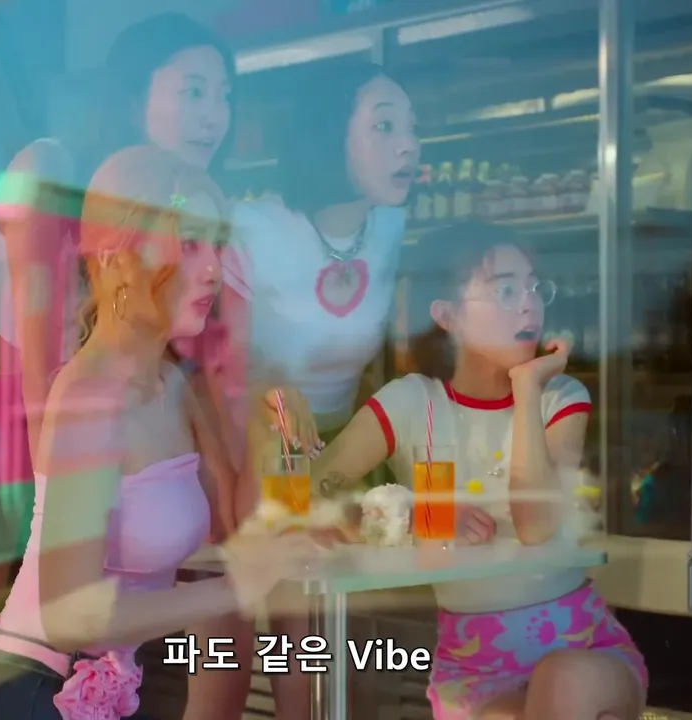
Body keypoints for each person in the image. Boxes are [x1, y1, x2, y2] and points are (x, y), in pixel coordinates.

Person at [0, 12, 240, 691]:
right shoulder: (53, 168)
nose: (214, 115)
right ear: (132, 98)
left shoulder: (165, 217)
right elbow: (37, 371)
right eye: (193, 91)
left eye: (225, 95)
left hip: (13, 408)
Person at [0, 147, 321, 720]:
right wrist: (237, 588)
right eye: (190, 244)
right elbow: (68, 614)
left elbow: (234, 525)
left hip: (88, 695)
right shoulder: (89, 396)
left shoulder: (173, 387)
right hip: (25, 693)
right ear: (118, 258)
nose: (213, 269)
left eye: (217, 246)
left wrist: (274, 408)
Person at [308, 223, 648, 720]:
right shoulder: (412, 403)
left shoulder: (559, 397)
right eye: (506, 290)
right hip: (474, 669)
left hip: (582, 648)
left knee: (562, 681)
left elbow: (536, 525)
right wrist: (414, 518)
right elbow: (311, 495)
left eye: (534, 287)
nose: (529, 304)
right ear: (448, 316)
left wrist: (527, 387)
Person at [184, 60, 421, 720]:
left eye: (411, 127)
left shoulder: (391, 229)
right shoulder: (254, 229)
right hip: (248, 444)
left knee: (331, 656)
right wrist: (248, 463)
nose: (408, 145)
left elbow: (386, 367)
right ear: (329, 134)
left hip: (343, 449)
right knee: (232, 667)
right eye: (384, 127)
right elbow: (219, 369)